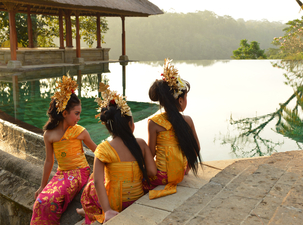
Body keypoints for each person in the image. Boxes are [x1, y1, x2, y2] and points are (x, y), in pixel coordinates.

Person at [78, 83, 157, 224]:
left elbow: (97, 182)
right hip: (136, 199)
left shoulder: (103, 148)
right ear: (130, 124)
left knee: (90, 185)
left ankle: (91, 211)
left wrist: (108, 210)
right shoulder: (141, 143)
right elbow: (152, 171)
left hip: (114, 205)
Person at [30, 76, 97, 224]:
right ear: (65, 113)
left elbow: (98, 151)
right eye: (77, 113)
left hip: (80, 172)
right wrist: (42, 186)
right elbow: (49, 161)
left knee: (53, 199)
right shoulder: (49, 135)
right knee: (41, 201)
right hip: (62, 174)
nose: (79, 117)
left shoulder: (80, 132)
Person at [144, 58, 201, 199]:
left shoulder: (154, 123)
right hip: (180, 174)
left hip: (161, 176)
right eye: (186, 97)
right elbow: (196, 148)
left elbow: (150, 153)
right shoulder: (187, 120)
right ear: (180, 100)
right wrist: (185, 168)